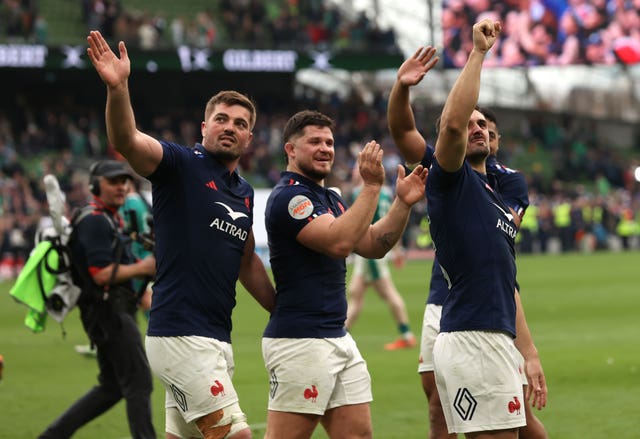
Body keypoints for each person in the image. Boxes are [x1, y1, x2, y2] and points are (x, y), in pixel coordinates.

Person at [87, 30, 275, 439]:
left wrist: (282, 309)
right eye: (221, 119)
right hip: (180, 334)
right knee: (236, 435)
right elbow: (126, 140)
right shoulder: (180, 164)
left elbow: (246, 261)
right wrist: (118, 89)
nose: (230, 127)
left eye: (240, 123)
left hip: (216, 337)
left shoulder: (243, 193)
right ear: (204, 127)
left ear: (249, 138)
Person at [388, 20, 547, 438]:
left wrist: (528, 351)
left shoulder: (496, 192)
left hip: (491, 330)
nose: (477, 128)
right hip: (472, 335)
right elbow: (438, 128)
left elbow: (505, 279)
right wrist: (478, 53)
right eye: (471, 123)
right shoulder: (448, 175)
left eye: (485, 126)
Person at [262, 110, 427, 439]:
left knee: (357, 435)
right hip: (301, 341)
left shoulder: (329, 197)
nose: (325, 148)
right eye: (314, 141)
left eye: (329, 142)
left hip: (337, 337)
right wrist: (371, 186)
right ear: (290, 150)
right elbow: (339, 243)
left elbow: (370, 244)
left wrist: (402, 204)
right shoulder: (290, 197)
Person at [38, 159, 157, 439]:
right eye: (113, 182)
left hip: (107, 313)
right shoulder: (94, 220)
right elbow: (100, 274)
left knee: (113, 386)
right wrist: (144, 268)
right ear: (94, 186)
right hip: (110, 313)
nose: (120, 187)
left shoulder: (105, 217)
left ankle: (51, 436)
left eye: (123, 181)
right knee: (139, 383)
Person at [344, 165, 416, 350]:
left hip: (369, 250)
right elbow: (392, 221)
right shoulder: (384, 192)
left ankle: (406, 334)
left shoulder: (360, 192)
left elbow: (358, 221)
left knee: (386, 292)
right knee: (355, 292)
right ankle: (341, 333)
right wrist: (397, 249)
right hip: (378, 247)